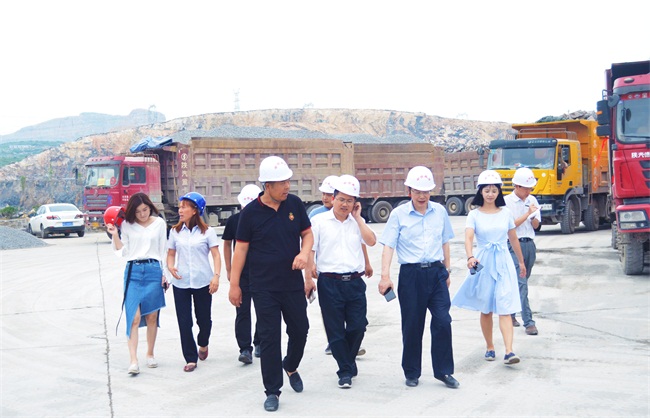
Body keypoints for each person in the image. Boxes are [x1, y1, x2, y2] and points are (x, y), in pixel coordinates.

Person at [228, 156, 314, 412]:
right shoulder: (250, 214)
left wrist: (304, 254)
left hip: (291, 283)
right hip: (263, 287)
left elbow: (307, 234)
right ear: (267, 185)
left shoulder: (294, 204)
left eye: (288, 181)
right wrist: (234, 284)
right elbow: (240, 250)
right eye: (282, 183)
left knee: (300, 329)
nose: (287, 186)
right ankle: (272, 391)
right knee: (269, 338)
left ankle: (291, 365)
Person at [378, 166, 459, 389]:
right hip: (411, 275)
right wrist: (385, 276)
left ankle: (444, 371)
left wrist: (447, 269)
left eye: (426, 191)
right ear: (409, 191)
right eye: (417, 191)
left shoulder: (440, 212)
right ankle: (412, 371)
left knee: (443, 321)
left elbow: (445, 241)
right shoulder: (398, 215)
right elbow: (388, 246)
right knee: (412, 325)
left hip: (436, 273)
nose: (422, 196)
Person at [308, 175, 376, 389]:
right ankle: (345, 370)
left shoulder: (357, 222)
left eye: (349, 200)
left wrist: (359, 219)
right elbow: (310, 250)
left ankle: (347, 360)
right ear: (333, 198)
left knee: (358, 326)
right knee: (335, 330)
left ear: (355, 203)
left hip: (355, 282)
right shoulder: (319, 221)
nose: (345, 204)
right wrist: (308, 277)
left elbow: (371, 241)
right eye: (341, 199)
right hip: (329, 282)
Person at [451, 170, 526, 365]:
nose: (491, 194)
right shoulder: (474, 215)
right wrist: (470, 256)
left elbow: (513, 238)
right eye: (487, 190)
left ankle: (509, 351)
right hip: (484, 262)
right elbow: (468, 237)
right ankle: (490, 346)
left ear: (499, 192)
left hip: (503, 261)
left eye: (494, 190)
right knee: (486, 308)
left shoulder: (506, 213)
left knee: (505, 306)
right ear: (480, 192)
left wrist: (520, 262)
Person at [106, 192, 168, 375]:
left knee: (152, 316)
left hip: (153, 270)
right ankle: (133, 360)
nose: (142, 214)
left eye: (145, 210)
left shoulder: (159, 223)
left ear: (150, 207)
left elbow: (163, 250)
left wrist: (165, 274)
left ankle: (150, 353)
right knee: (133, 317)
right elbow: (122, 252)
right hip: (133, 271)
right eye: (138, 211)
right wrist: (115, 235)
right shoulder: (127, 225)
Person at [166, 192, 221, 372]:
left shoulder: (208, 232)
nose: (180, 210)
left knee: (204, 320)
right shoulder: (175, 232)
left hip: (203, 281)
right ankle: (190, 358)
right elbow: (171, 253)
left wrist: (216, 276)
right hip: (181, 283)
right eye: (180, 207)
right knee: (184, 322)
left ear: (195, 210)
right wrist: (170, 266)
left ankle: (203, 343)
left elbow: (216, 255)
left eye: (184, 207)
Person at [223, 184, 262, 364]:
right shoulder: (234, 221)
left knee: (263, 310)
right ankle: (245, 348)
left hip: (262, 273)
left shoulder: (264, 220)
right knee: (242, 311)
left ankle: (259, 342)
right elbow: (226, 243)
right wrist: (229, 269)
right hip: (242, 274)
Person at [505, 168, 541, 335]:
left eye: (530, 188)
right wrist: (527, 213)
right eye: (526, 188)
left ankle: (511, 313)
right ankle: (529, 322)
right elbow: (511, 226)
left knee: (522, 280)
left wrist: (533, 216)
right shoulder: (507, 202)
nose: (529, 192)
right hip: (514, 245)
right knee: (521, 282)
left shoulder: (532, 200)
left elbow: (536, 226)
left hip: (529, 244)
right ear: (517, 186)